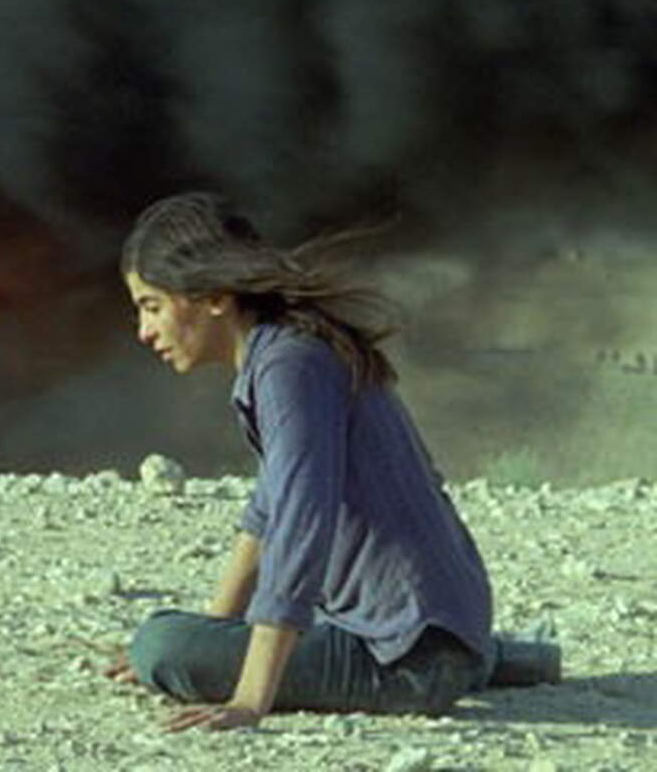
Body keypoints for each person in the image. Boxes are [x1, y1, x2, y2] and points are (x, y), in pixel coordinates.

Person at [107, 192, 493, 732]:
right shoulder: (289, 350)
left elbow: (298, 524)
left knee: (159, 643)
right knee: (177, 642)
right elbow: (267, 513)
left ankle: (473, 663)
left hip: (412, 661)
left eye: (152, 306)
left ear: (215, 296)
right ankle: (495, 658)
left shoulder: (289, 366)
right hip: (439, 631)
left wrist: (246, 698)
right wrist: (214, 638)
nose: (144, 332)